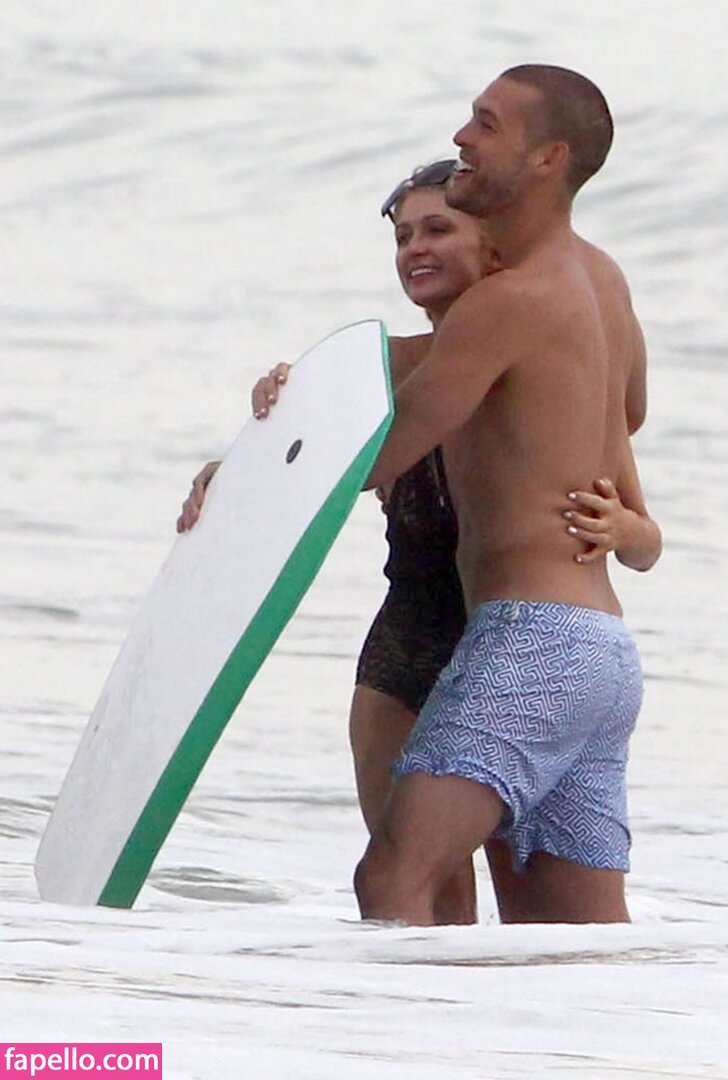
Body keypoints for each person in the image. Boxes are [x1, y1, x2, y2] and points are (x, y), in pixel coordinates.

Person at [177, 153, 660, 924]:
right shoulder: (380, 371)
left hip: (521, 650)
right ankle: (418, 1006)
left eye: (437, 229)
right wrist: (239, 463)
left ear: (491, 243)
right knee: (423, 897)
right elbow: (306, 460)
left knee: (500, 898)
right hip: (409, 654)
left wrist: (629, 529)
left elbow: (638, 519)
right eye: (402, 237)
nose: (415, 249)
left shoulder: (545, 358)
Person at [351, 64, 655, 927]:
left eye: (486, 124)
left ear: (547, 158)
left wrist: (250, 483)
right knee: (568, 943)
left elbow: (385, 452)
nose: (462, 138)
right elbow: (627, 411)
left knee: (394, 879)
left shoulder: (506, 302)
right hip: (600, 652)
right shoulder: (600, 279)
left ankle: (388, 1023)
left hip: (531, 640)